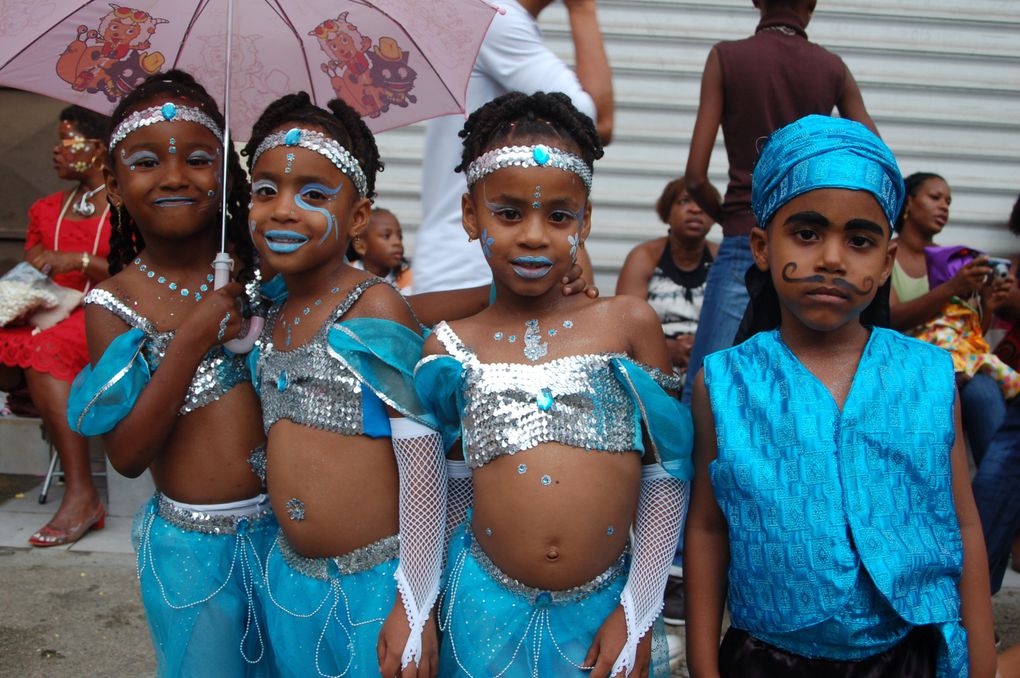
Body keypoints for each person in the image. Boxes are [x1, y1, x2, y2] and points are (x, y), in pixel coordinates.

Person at [684, 114, 996, 677]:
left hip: (907, 655)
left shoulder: (929, 376)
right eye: (807, 233)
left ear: (885, 261)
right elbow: (708, 527)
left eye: (859, 240)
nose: (832, 258)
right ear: (760, 246)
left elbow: (964, 523)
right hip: (767, 660)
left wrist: (981, 662)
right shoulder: (725, 383)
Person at [415, 91, 693, 678]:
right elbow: (457, 484)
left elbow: (664, 474)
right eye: (509, 214)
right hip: (480, 609)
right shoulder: (450, 345)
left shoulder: (627, 324)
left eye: (559, 217)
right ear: (472, 217)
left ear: (585, 221)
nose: (535, 237)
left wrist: (639, 610)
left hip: (602, 614)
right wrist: (424, 608)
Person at [66, 71, 275, 676]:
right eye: (148, 161)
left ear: (227, 175)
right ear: (113, 181)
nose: (176, 176)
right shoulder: (113, 304)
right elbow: (127, 455)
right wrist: (189, 341)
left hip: (291, 542)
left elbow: (367, 302)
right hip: (193, 552)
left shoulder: (263, 275)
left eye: (199, 158)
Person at [242, 92, 446, 677]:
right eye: (265, 191)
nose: (283, 210)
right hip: (290, 579)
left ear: (358, 218)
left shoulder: (371, 306)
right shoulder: (271, 310)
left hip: (378, 587)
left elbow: (424, 463)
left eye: (312, 195)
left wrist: (415, 601)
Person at [680, 0, 878, 403]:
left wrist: (732, 218)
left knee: (707, 384)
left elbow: (695, 177)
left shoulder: (727, 58)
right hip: (811, 240)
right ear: (812, 4)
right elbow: (876, 157)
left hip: (743, 240)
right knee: (802, 382)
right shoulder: (831, 68)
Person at [414, 0, 613, 293]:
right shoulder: (496, 20)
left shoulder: (489, 19)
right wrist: (582, 9)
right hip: (473, 270)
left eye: (560, 217)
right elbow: (596, 122)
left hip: (469, 262)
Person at [0, 105, 112, 547]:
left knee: (48, 350)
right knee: (36, 339)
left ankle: (83, 495)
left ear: (99, 149)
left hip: (106, 313)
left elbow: (137, 272)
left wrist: (79, 262)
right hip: (50, 312)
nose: (56, 150)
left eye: (67, 139)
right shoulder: (46, 209)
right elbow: (34, 274)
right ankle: (30, 394)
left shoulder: (127, 206)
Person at [889, 172, 1015, 465]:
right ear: (908, 201)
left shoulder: (954, 260)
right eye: (935, 197)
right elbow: (889, 320)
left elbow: (968, 339)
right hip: (905, 366)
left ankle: (996, 493)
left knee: (983, 390)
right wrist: (952, 288)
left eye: (948, 201)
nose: (944, 206)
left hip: (955, 367)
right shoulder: (886, 253)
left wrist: (988, 303)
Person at [616, 176, 719, 381]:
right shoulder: (644, 257)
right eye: (684, 201)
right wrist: (667, 350)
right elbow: (624, 326)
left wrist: (702, 351)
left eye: (703, 204)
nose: (695, 209)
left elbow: (734, 325)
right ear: (667, 213)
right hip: (653, 368)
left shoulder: (722, 259)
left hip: (710, 368)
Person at [348, 207, 413, 294]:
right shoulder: (347, 275)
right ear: (360, 246)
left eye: (399, 236)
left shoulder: (406, 277)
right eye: (386, 236)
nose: (397, 242)